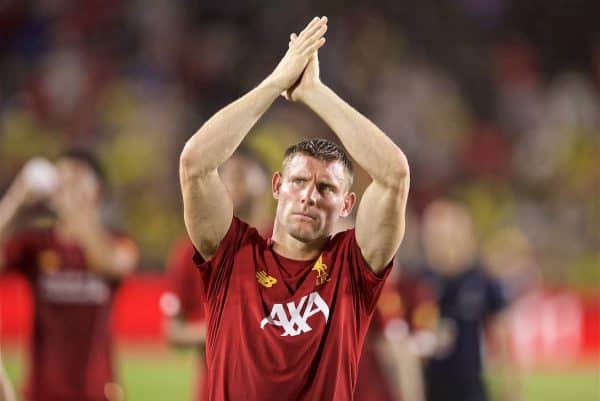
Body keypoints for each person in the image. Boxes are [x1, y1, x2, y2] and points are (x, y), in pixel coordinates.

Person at [179, 16, 410, 401]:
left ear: (347, 203)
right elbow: (194, 164)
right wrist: (275, 83)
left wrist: (314, 93)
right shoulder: (233, 254)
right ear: (277, 187)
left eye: (326, 187)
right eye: (299, 182)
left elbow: (395, 175)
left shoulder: (352, 267)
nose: (309, 196)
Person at [0, 150, 138, 401]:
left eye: (76, 178)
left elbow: (112, 265)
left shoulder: (118, 241)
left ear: (98, 190)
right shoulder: (37, 244)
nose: (64, 185)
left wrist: (73, 207)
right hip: (42, 392)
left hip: (97, 391)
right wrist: (17, 196)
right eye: (61, 178)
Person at [161, 152, 270, 401]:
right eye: (226, 176)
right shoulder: (193, 251)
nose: (231, 183)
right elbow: (173, 332)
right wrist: (229, 326)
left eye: (240, 175)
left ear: (268, 184)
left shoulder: (292, 246)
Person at [416, 199, 511, 401]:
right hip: (430, 385)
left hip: (470, 385)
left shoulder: (481, 279)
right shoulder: (419, 280)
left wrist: (509, 384)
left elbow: (501, 333)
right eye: (436, 235)